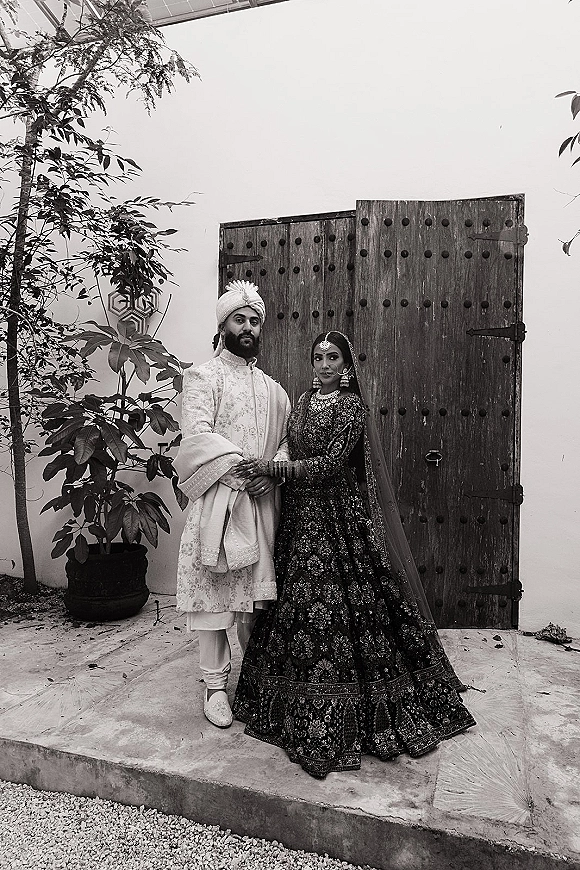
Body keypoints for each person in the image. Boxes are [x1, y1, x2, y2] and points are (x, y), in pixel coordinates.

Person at [232, 331, 475, 778]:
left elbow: (329, 465)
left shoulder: (351, 409)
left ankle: (359, 704)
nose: (325, 365)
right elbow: (291, 444)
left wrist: (271, 468)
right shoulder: (303, 402)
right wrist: (277, 468)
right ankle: (290, 699)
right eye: (318, 357)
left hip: (337, 517)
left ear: (346, 364)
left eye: (333, 358)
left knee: (346, 605)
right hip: (300, 516)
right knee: (297, 607)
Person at [174, 280, 291, 729]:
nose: (247, 327)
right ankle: (215, 686)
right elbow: (198, 437)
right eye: (239, 320)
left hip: (259, 505)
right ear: (223, 326)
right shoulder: (203, 376)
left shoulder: (274, 390)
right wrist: (246, 470)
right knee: (213, 601)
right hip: (218, 502)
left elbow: (285, 442)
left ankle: (257, 680)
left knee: (252, 601)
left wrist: (270, 470)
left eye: (254, 320)